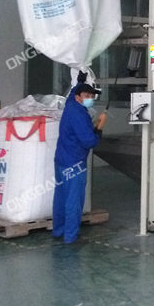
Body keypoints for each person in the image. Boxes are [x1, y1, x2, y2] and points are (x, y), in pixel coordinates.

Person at [52, 81, 106, 244]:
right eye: (86, 96)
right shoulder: (80, 115)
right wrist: (99, 128)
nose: (90, 99)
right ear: (78, 97)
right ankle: (71, 237)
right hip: (74, 163)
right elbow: (89, 141)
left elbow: (71, 94)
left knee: (61, 197)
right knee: (73, 201)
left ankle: (58, 231)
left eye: (92, 96)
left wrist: (80, 82)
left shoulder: (70, 106)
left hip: (61, 160)